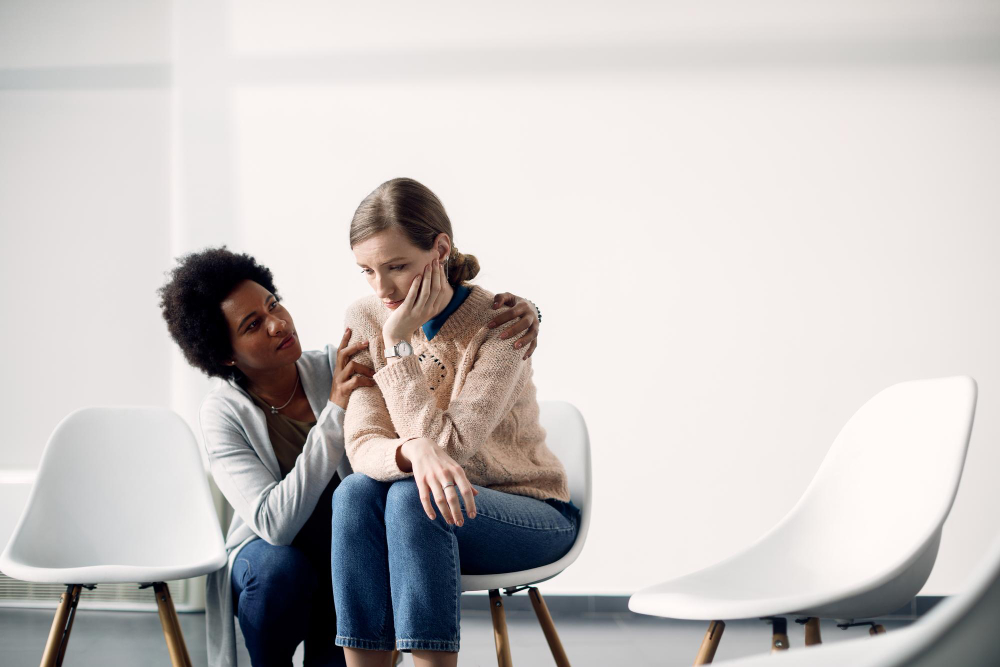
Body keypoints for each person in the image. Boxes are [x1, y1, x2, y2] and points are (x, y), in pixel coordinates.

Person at [157, 246, 542, 667]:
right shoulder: (222, 413)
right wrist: (335, 411)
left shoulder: (337, 364)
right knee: (278, 572)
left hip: (346, 551)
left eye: (273, 304)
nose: (277, 324)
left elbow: (424, 360)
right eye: (253, 324)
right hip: (273, 558)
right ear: (226, 355)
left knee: (358, 504)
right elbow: (274, 524)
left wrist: (526, 311)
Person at [333, 178, 579, 667]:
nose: (382, 288)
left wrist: (400, 343)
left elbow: (453, 448)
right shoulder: (365, 317)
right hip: (435, 507)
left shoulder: (502, 324)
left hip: (526, 511)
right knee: (355, 493)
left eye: (397, 267)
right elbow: (362, 444)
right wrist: (412, 451)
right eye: (367, 271)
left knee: (411, 497)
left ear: (439, 249)